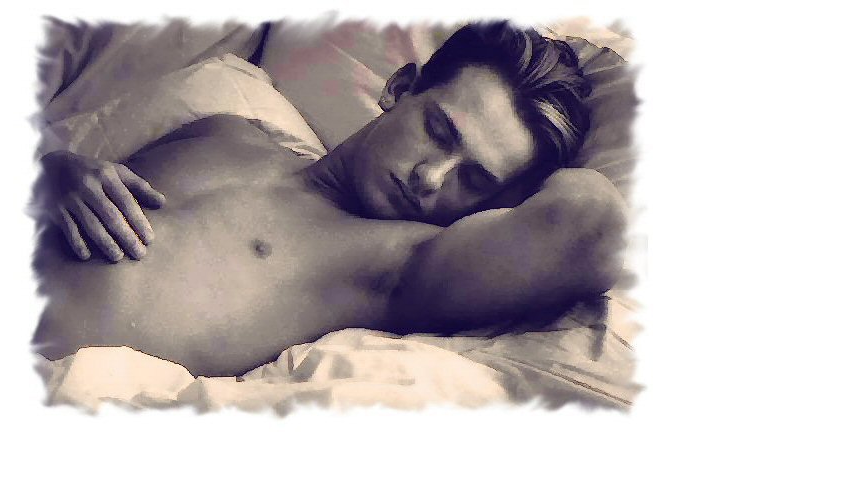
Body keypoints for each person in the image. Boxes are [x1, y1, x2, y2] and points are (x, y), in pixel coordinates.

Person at [33, 21, 627, 378]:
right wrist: (53, 172)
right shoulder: (228, 131)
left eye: (472, 180)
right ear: (399, 88)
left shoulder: (396, 262)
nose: (430, 177)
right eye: (438, 132)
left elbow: (591, 231)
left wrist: (525, 185)